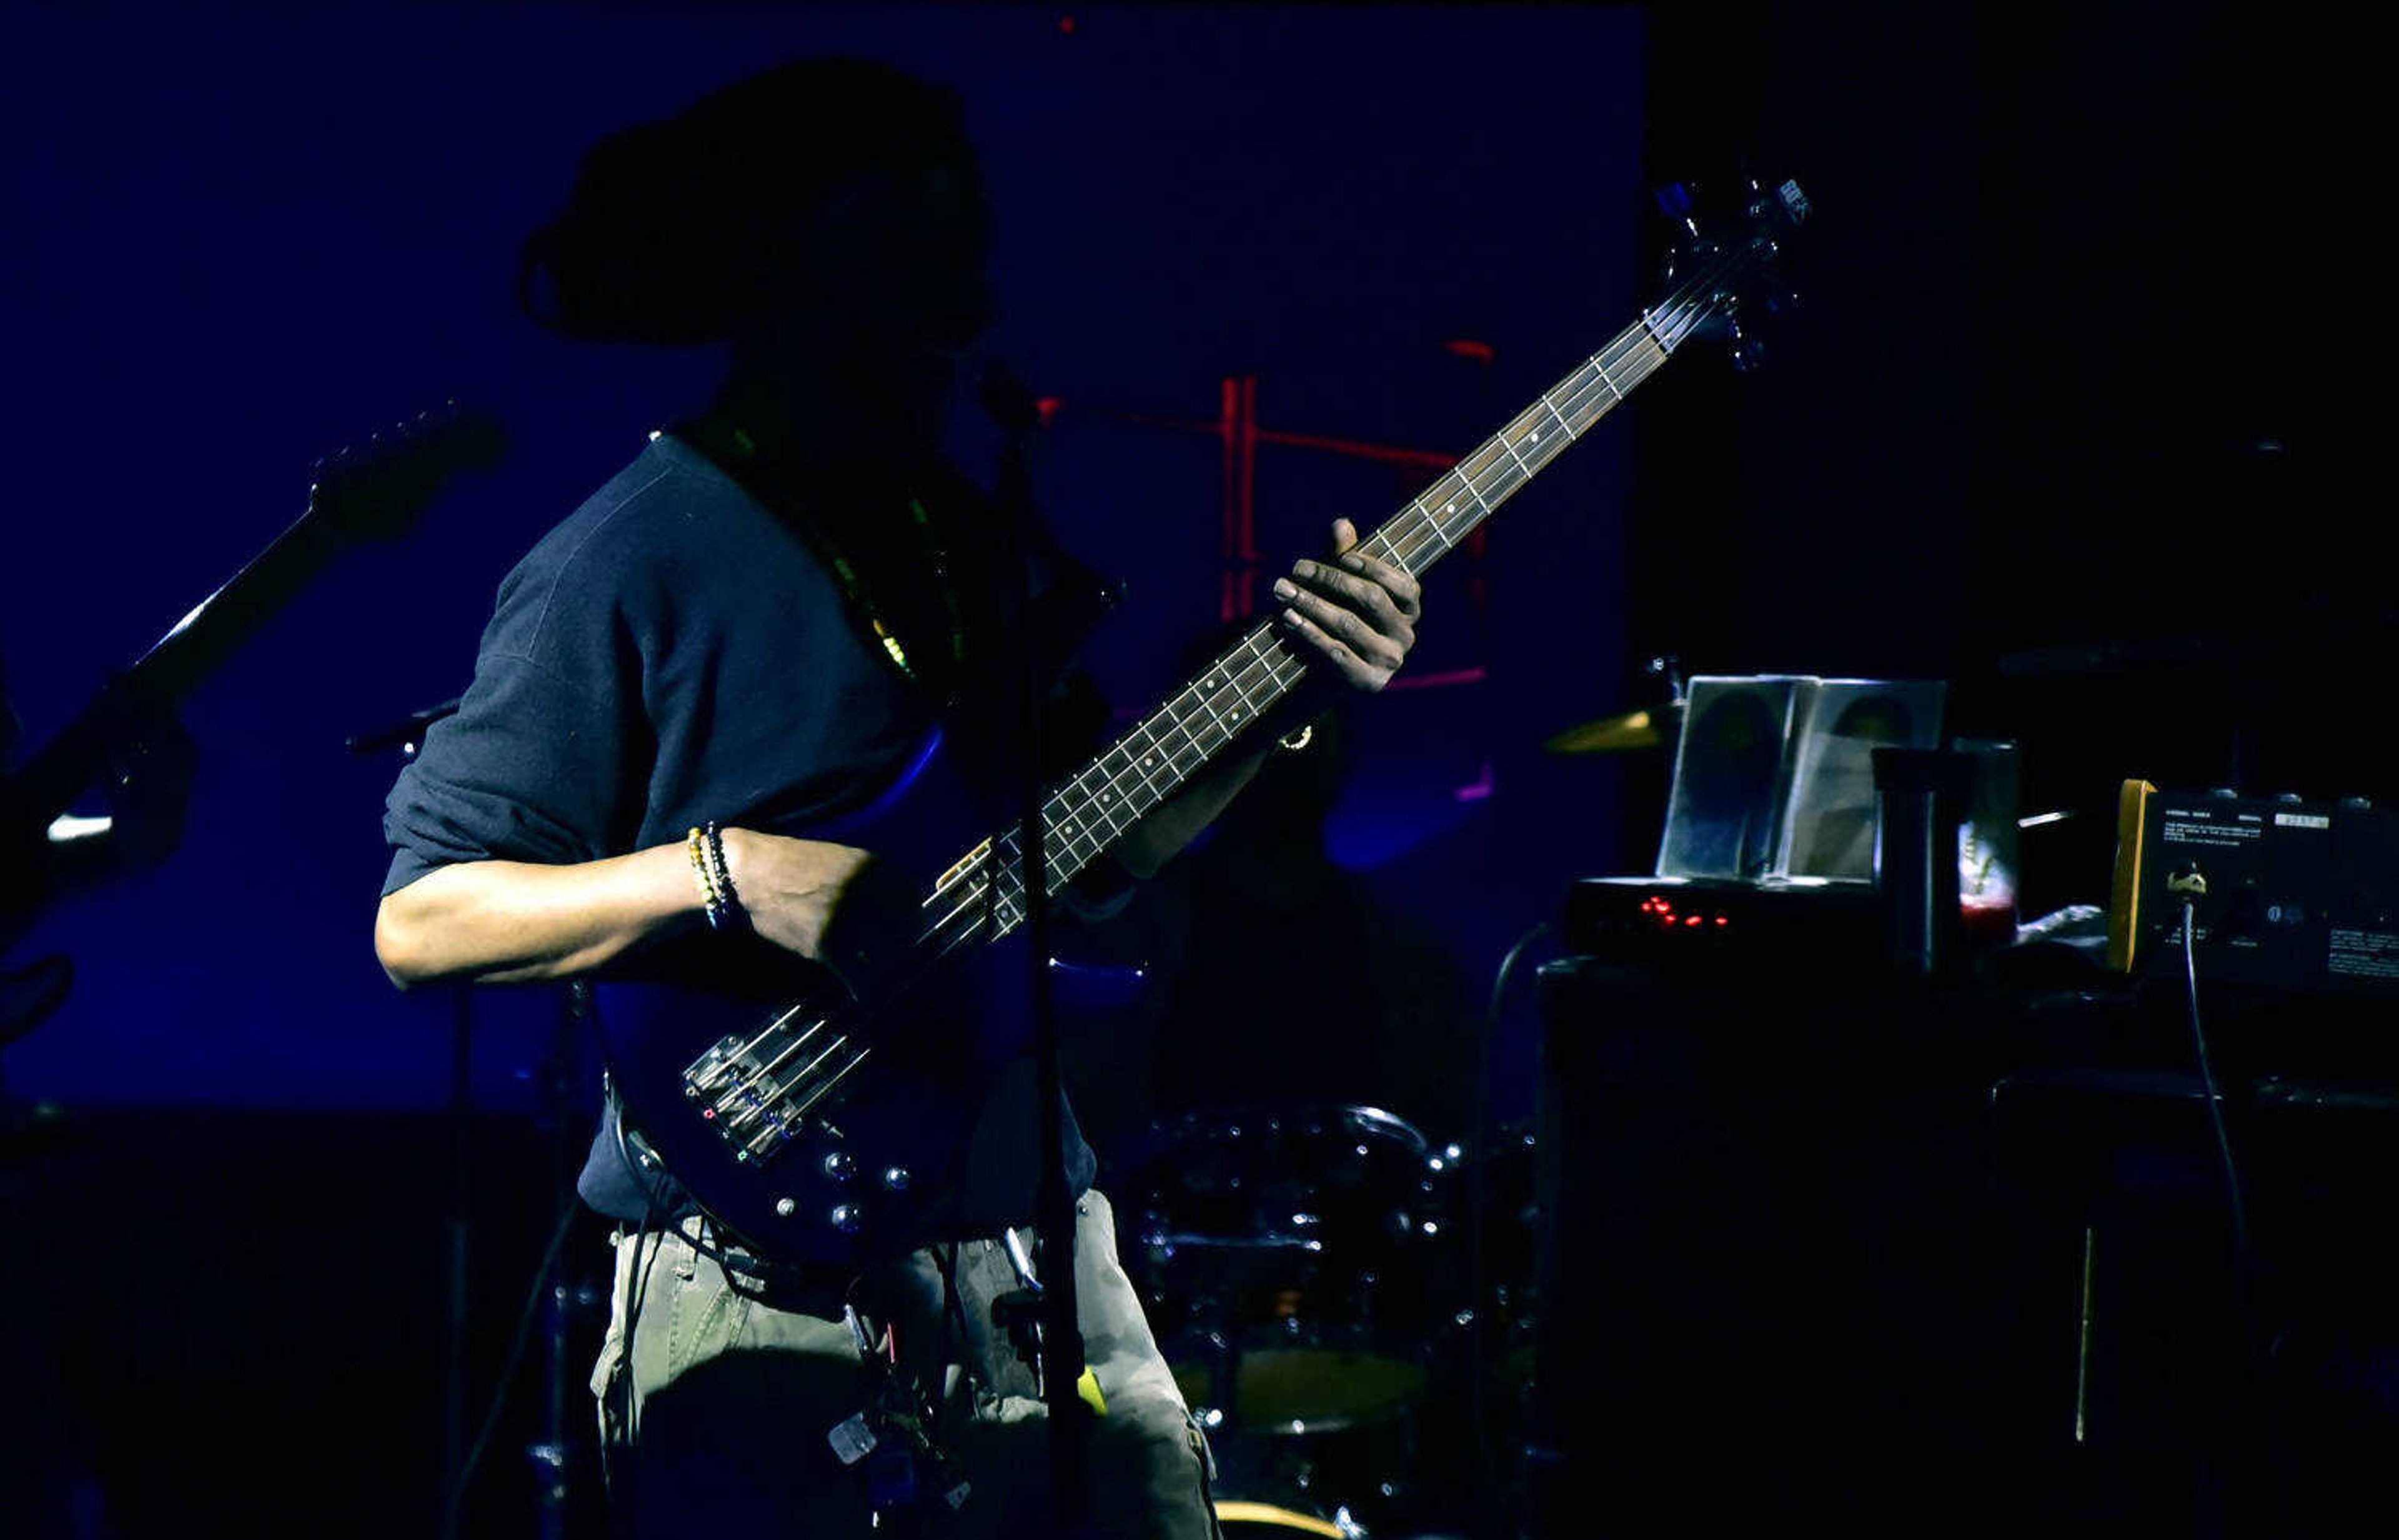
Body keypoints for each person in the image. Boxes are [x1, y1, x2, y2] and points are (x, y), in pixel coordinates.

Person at [370, 59, 1423, 1538]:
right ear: (807, 259)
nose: (970, 292)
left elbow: (1084, 862)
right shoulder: (632, 551)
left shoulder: (958, 534)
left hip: (1028, 1251)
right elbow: (423, 922)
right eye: (927, 245)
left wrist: (1284, 707)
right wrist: (730, 873)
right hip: (754, 1287)